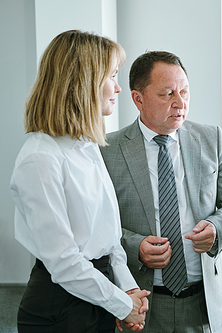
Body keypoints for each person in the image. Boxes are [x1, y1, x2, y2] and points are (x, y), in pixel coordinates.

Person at [10, 30, 150, 333]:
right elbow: (63, 262)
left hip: (97, 292)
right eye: (111, 76)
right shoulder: (40, 158)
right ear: (82, 82)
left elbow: (110, 240)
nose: (118, 88)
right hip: (58, 308)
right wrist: (122, 304)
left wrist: (126, 291)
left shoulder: (87, 145)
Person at [100, 51, 222, 333]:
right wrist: (135, 246)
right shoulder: (106, 150)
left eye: (184, 92)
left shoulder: (211, 138)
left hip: (202, 302)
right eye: (168, 94)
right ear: (138, 99)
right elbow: (97, 224)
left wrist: (216, 229)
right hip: (140, 302)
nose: (180, 103)